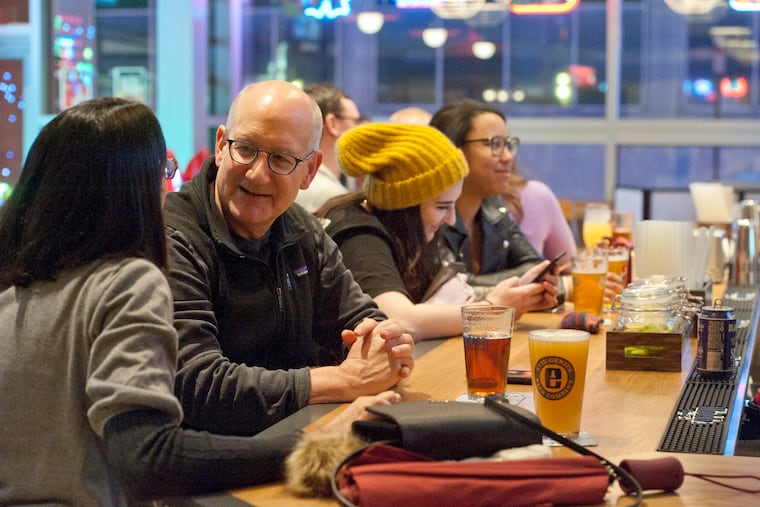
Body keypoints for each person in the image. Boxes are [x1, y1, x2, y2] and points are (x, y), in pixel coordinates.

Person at [0, 97, 402, 505]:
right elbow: (150, 458)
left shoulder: (14, 292)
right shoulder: (130, 279)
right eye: (164, 171)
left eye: (281, 158)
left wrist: (379, 338)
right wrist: (320, 442)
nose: (168, 189)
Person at [163, 80, 414, 437]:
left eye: (281, 158)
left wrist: (385, 341)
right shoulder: (172, 238)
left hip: (302, 436)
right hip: (213, 467)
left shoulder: (301, 229)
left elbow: (360, 317)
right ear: (221, 147)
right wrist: (341, 379)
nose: (257, 173)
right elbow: (197, 386)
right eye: (245, 149)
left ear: (310, 171)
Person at [317, 123, 559, 341]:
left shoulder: (407, 233)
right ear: (405, 204)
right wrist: (492, 308)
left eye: (454, 205)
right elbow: (402, 321)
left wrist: (519, 294)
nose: (451, 219)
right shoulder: (358, 233)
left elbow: (447, 297)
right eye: (442, 206)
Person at [429, 100, 551, 299]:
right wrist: (523, 284)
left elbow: (536, 268)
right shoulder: (430, 214)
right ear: (453, 149)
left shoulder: (493, 207)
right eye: (494, 144)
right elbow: (451, 287)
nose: (508, 157)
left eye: (508, 145)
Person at [294, 83, 362, 212]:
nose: (359, 129)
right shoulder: (333, 197)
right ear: (333, 124)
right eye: (355, 121)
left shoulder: (291, 177)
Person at [503, 162, 578, 271]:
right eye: (489, 144)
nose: (506, 156)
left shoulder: (534, 195)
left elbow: (570, 268)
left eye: (507, 146)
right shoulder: (479, 205)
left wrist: (562, 285)